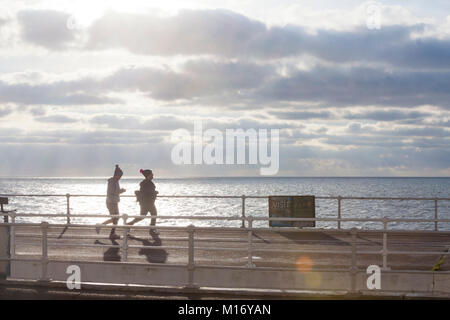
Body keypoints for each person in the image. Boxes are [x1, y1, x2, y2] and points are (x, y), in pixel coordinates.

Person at [96, 165, 126, 239]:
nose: (120, 177)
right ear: (116, 175)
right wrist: (121, 191)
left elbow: (115, 191)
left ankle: (105, 228)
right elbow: (112, 192)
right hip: (111, 202)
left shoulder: (115, 181)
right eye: (120, 176)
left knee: (116, 218)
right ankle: (110, 232)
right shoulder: (112, 181)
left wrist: (119, 191)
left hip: (114, 202)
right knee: (115, 218)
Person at [126, 169, 159, 234]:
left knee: (143, 216)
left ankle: (129, 225)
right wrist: (155, 192)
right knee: (154, 214)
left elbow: (147, 192)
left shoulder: (147, 182)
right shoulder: (145, 183)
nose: (153, 175)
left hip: (146, 203)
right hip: (147, 203)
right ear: (148, 175)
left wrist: (154, 192)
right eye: (151, 174)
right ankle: (152, 229)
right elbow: (146, 192)